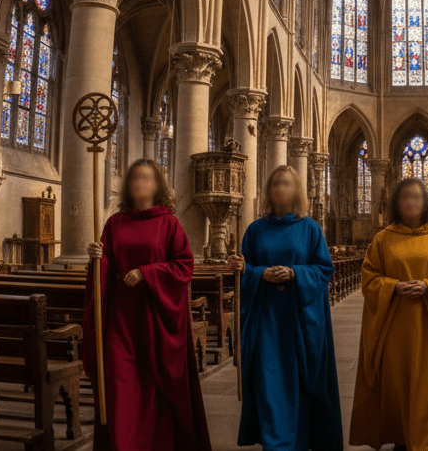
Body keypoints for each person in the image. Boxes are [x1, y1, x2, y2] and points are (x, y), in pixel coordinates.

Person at [85, 159, 211, 451]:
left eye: (147, 178)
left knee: (153, 390)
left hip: (156, 318)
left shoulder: (169, 223)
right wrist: (97, 258)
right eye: (136, 178)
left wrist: (147, 273)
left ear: (158, 185)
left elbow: (183, 266)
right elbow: (106, 267)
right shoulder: (114, 224)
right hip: (122, 319)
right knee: (121, 387)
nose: (141, 183)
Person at [228, 165, 342, 451]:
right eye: (276, 183)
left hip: (299, 318)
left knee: (297, 381)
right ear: (269, 189)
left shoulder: (310, 228)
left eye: (287, 184)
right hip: (267, 317)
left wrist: (294, 274)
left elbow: (324, 269)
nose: (280, 189)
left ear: (296, 191)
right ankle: (275, 443)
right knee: (268, 380)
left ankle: (298, 439)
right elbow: (246, 270)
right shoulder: (255, 229)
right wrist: (257, 273)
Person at [349, 177, 428, 451]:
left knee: (427, 388)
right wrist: (394, 286)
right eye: (405, 197)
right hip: (396, 330)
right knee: (398, 387)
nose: (412, 202)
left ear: (426, 203)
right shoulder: (383, 239)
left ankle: (427, 442)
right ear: (396, 204)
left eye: (417, 197)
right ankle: (401, 436)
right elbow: (369, 278)